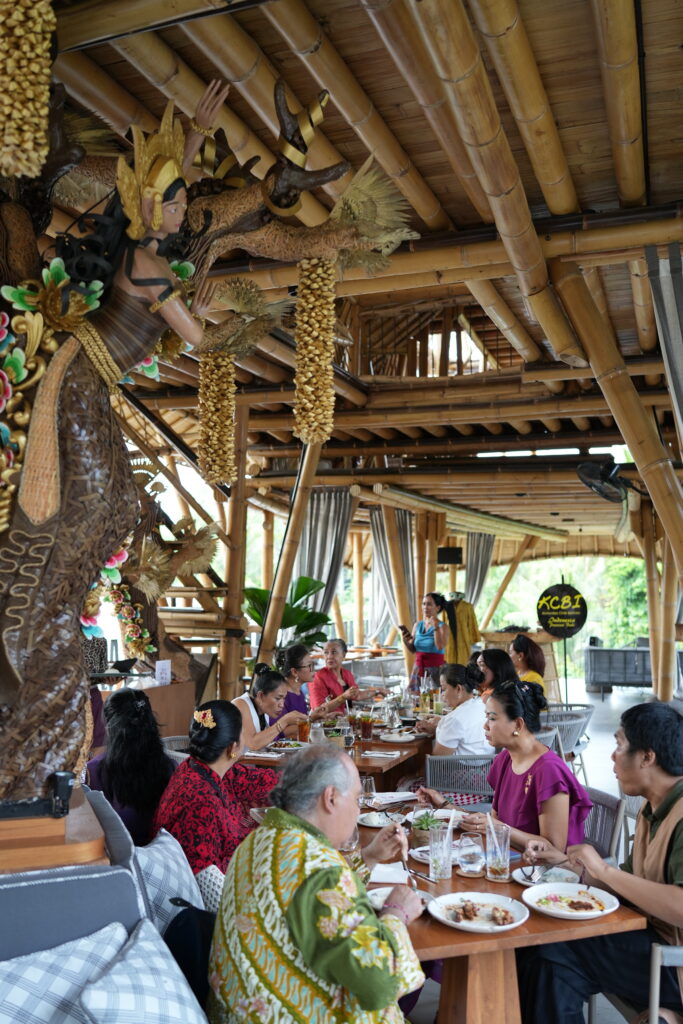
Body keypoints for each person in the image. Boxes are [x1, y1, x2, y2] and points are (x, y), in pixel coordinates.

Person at [0, 81, 241, 797]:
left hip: (90, 380)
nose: (180, 211)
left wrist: (193, 139)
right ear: (147, 209)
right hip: (78, 378)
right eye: (173, 204)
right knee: (103, 507)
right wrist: (241, 322)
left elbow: (155, 191)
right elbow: (200, 339)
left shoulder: (147, 249)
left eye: (182, 203)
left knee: (115, 508)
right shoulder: (150, 263)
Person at [207, 744, 425, 1023]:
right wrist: (396, 913)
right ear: (330, 798)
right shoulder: (320, 870)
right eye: (357, 799)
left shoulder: (258, 839)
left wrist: (368, 857)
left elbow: (312, 902)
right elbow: (379, 986)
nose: (357, 809)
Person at [517, 702, 683, 1024]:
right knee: (547, 954)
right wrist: (569, 864)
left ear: (647, 757)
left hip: (673, 962)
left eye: (619, 745)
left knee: (553, 948)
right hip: (650, 940)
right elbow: (633, 886)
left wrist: (603, 869)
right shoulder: (654, 808)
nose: (612, 756)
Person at [418, 678, 592, 851]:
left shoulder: (549, 771)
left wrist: (495, 826)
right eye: (486, 717)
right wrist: (445, 805)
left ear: (518, 724)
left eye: (492, 718)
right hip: (507, 854)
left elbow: (553, 849)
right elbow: (495, 822)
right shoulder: (504, 759)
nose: (485, 726)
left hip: (540, 866)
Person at [153, 700, 277, 875]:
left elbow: (256, 780)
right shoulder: (201, 803)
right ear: (233, 747)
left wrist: (300, 777)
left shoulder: (199, 766)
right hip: (215, 883)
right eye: (242, 732)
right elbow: (208, 876)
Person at [87, 688, 176, 845]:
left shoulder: (94, 771)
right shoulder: (170, 766)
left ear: (108, 728)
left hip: (118, 855)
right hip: (163, 851)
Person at [415, 662, 489, 756]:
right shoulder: (482, 705)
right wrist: (438, 728)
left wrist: (442, 726)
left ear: (458, 689)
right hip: (487, 764)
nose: (442, 694)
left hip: (459, 766)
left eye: (444, 689)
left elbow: (438, 760)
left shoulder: (454, 720)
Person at [232, 664, 308, 751]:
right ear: (261, 696)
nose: (282, 705)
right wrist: (284, 721)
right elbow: (252, 745)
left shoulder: (264, 711)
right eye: (278, 698)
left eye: (283, 698)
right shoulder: (240, 704)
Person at [273, 644, 338, 736]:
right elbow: (282, 732)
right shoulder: (281, 695)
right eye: (309, 665)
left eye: (313, 664)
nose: (314, 669)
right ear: (295, 672)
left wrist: (319, 718)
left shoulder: (298, 692)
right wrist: (311, 719)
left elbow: (301, 723)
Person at [309, 638, 382, 712]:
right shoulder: (317, 678)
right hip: (330, 719)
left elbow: (357, 695)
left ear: (344, 655)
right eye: (326, 652)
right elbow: (318, 710)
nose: (329, 656)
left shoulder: (347, 674)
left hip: (347, 717)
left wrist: (378, 691)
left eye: (334, 652)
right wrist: (343, 697)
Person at [400, 593, 448, 688]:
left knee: (435, 696)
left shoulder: (443, 626)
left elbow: (439, 646)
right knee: (415, 695)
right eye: (424, 604)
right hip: (418, 667)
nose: (425, 607)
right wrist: (405, 640)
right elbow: (413, 650)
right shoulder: (417, 625)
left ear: (437, 608)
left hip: (436, 670)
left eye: (429, 604)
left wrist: (435, 627)